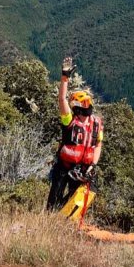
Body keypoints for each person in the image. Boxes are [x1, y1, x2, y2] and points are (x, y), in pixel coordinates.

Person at [46, 57, 104, 211]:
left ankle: (66, 222)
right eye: (85, 103)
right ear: (77, 106)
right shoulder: (69, 120)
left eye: (89, 102)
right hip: (64, 167)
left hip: (83, 169)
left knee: (75, 202)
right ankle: (50, 222)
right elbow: (62, 100)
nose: (88, 106)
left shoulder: (96, 123)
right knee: (54, 201)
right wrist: (65, 77)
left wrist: (93, 165)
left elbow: (98, 144)